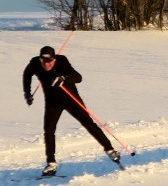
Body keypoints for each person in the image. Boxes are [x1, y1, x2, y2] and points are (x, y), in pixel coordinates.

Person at [22, 45, 120, 175]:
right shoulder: (35, 63)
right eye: (44, 61)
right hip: (53, 103)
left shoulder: (62, 61)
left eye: (50, 61)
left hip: (71, 100)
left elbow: (78, 77)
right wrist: (27, 94)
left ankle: (110, 150)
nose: (47, 64)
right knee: (49, 130)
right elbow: (27, 75)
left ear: (54, 59)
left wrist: (63, 78)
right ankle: (51, 163)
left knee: (88, 124)